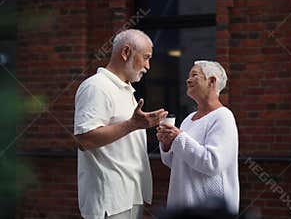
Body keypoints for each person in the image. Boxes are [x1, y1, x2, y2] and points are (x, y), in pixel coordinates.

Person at [74, 29, 168, 219]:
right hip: (110, 200)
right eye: (146, 57)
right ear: (126, 52)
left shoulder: (126, 90)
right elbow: (84, 139)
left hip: (130, 196)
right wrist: (132, 124)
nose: (148, 66)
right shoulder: (96, 87)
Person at [156, 60, 240, 214]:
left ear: (212, 81)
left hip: (208, 210)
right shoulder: (189, 119)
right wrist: (167, 145)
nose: (188, 80)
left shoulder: (223, 116)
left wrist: (178, 138)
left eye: (194, 75)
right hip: (182, 207)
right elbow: (174, 162)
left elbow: (213, 163)